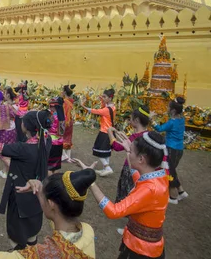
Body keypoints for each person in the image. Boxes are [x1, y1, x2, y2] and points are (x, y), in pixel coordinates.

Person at [75, 130, 169, 259]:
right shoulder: (158, 177)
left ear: (141, 159)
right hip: (141, 246)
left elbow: (114, 211)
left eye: (132, 152)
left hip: (141, 252)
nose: (129, 154)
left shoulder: (149, 189)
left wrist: (90, 182)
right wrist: (128, 150)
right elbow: (135, 174)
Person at [0, 169, 97, 258]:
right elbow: (57, 216)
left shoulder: (41, 254)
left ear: (51, 204)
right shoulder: (87, 231)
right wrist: (40, 192)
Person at [0, 110, 52, 250]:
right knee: (32, 232)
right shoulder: (46, 140)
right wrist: (17, 115)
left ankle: (18, 253)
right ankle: (32, 250)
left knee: (16, 237)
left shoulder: (23, 148)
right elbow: (23, 135)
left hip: (20, 198)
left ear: (27, 126)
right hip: (36, 196)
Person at [108, 105, 150, 203]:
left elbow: (117, 147)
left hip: (130, 167)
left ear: (136, 120)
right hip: (143, 169)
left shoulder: (135, 137)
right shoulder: (148, 135)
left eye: (130, 119)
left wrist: (110, 132)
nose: (129, 121)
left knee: (126, 194)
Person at [154, 97, 188, 204]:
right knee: (172, 170)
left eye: (168, 107)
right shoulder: (181, 119)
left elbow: (159, 129)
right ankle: (181, 191)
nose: (167, 108)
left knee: (169, 171)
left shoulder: (172, 122)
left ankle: (173, 197)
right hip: (179, 149)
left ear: (173, 110)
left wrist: (152, 120)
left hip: (171, 148)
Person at [80, 88, 116, 176]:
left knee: (99, 150)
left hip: (104, 132)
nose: (103, 98)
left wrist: (82, 105)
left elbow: (94, 111)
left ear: (110, 98)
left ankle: (107, 167)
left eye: (104, 97)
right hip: (110, 131)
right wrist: (102, 99)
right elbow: (104, 106)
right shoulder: (113, 106)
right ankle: (105, 169)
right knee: (106, 151)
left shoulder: (106, 110)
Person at [0, 87, 18, 179]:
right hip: (13, 130)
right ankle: (5, 172)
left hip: (5, 131)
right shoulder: (16, 106)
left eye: (5, 93)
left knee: (3, 154)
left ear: (8, 95)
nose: (3, 94)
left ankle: (15, 171)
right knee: (9, 152)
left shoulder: (3, 107)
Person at [48, 97, 64, 173]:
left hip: (51, 142)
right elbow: (61, 132)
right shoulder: (63, 116)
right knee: (54, 164)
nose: (50, 108)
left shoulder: (52, 116)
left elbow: (47, 126)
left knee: (49, 164)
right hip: (59, 142)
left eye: (50, 106)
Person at [61, 84, 76, 162]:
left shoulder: (64, 102)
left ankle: (65, 155)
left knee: (60, 137)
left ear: (64, 92)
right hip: (70, 122)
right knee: (68, 138)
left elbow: (64, 113)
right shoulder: (71, 101)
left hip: (65, 122)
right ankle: (68, 157)